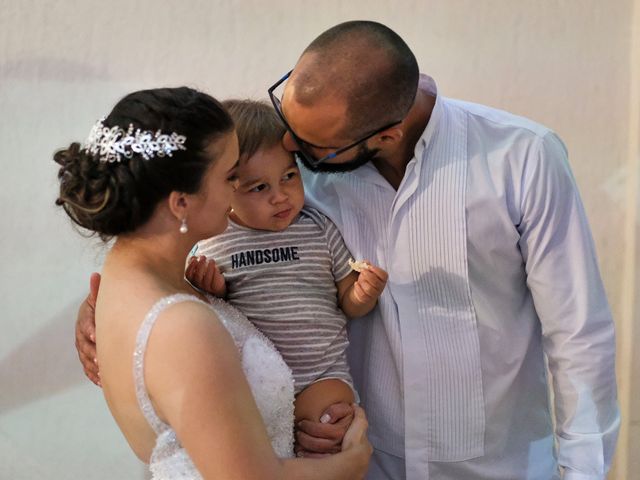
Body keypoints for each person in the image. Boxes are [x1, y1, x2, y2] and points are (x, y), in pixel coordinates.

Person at [75, 21, 620, 480]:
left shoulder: (522, 159)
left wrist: (585, 472)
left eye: (307, 149)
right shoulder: (291, 174)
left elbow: (578, 335)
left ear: (382, 135)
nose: (286, 149)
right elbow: (188, 208)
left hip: (500, 467)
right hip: (353, 459)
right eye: (284, 117)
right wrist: (131, 309)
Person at [57, 87, 371, 479]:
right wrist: (353, 461)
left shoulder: (126, 283)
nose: (236, 190)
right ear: (181, 202)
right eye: (229, 176)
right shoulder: (181, 325)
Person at [184, 99, 388, 426]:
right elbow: (209, 320)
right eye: (260, 187)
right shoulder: (213, 242)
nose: (280, 196)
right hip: (252, 379)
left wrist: (363, 294)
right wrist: (215, 292)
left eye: (290, 176)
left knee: (328, 422)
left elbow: (347, 303)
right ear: (225, 189)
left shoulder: (319, 229)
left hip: (322, 373)